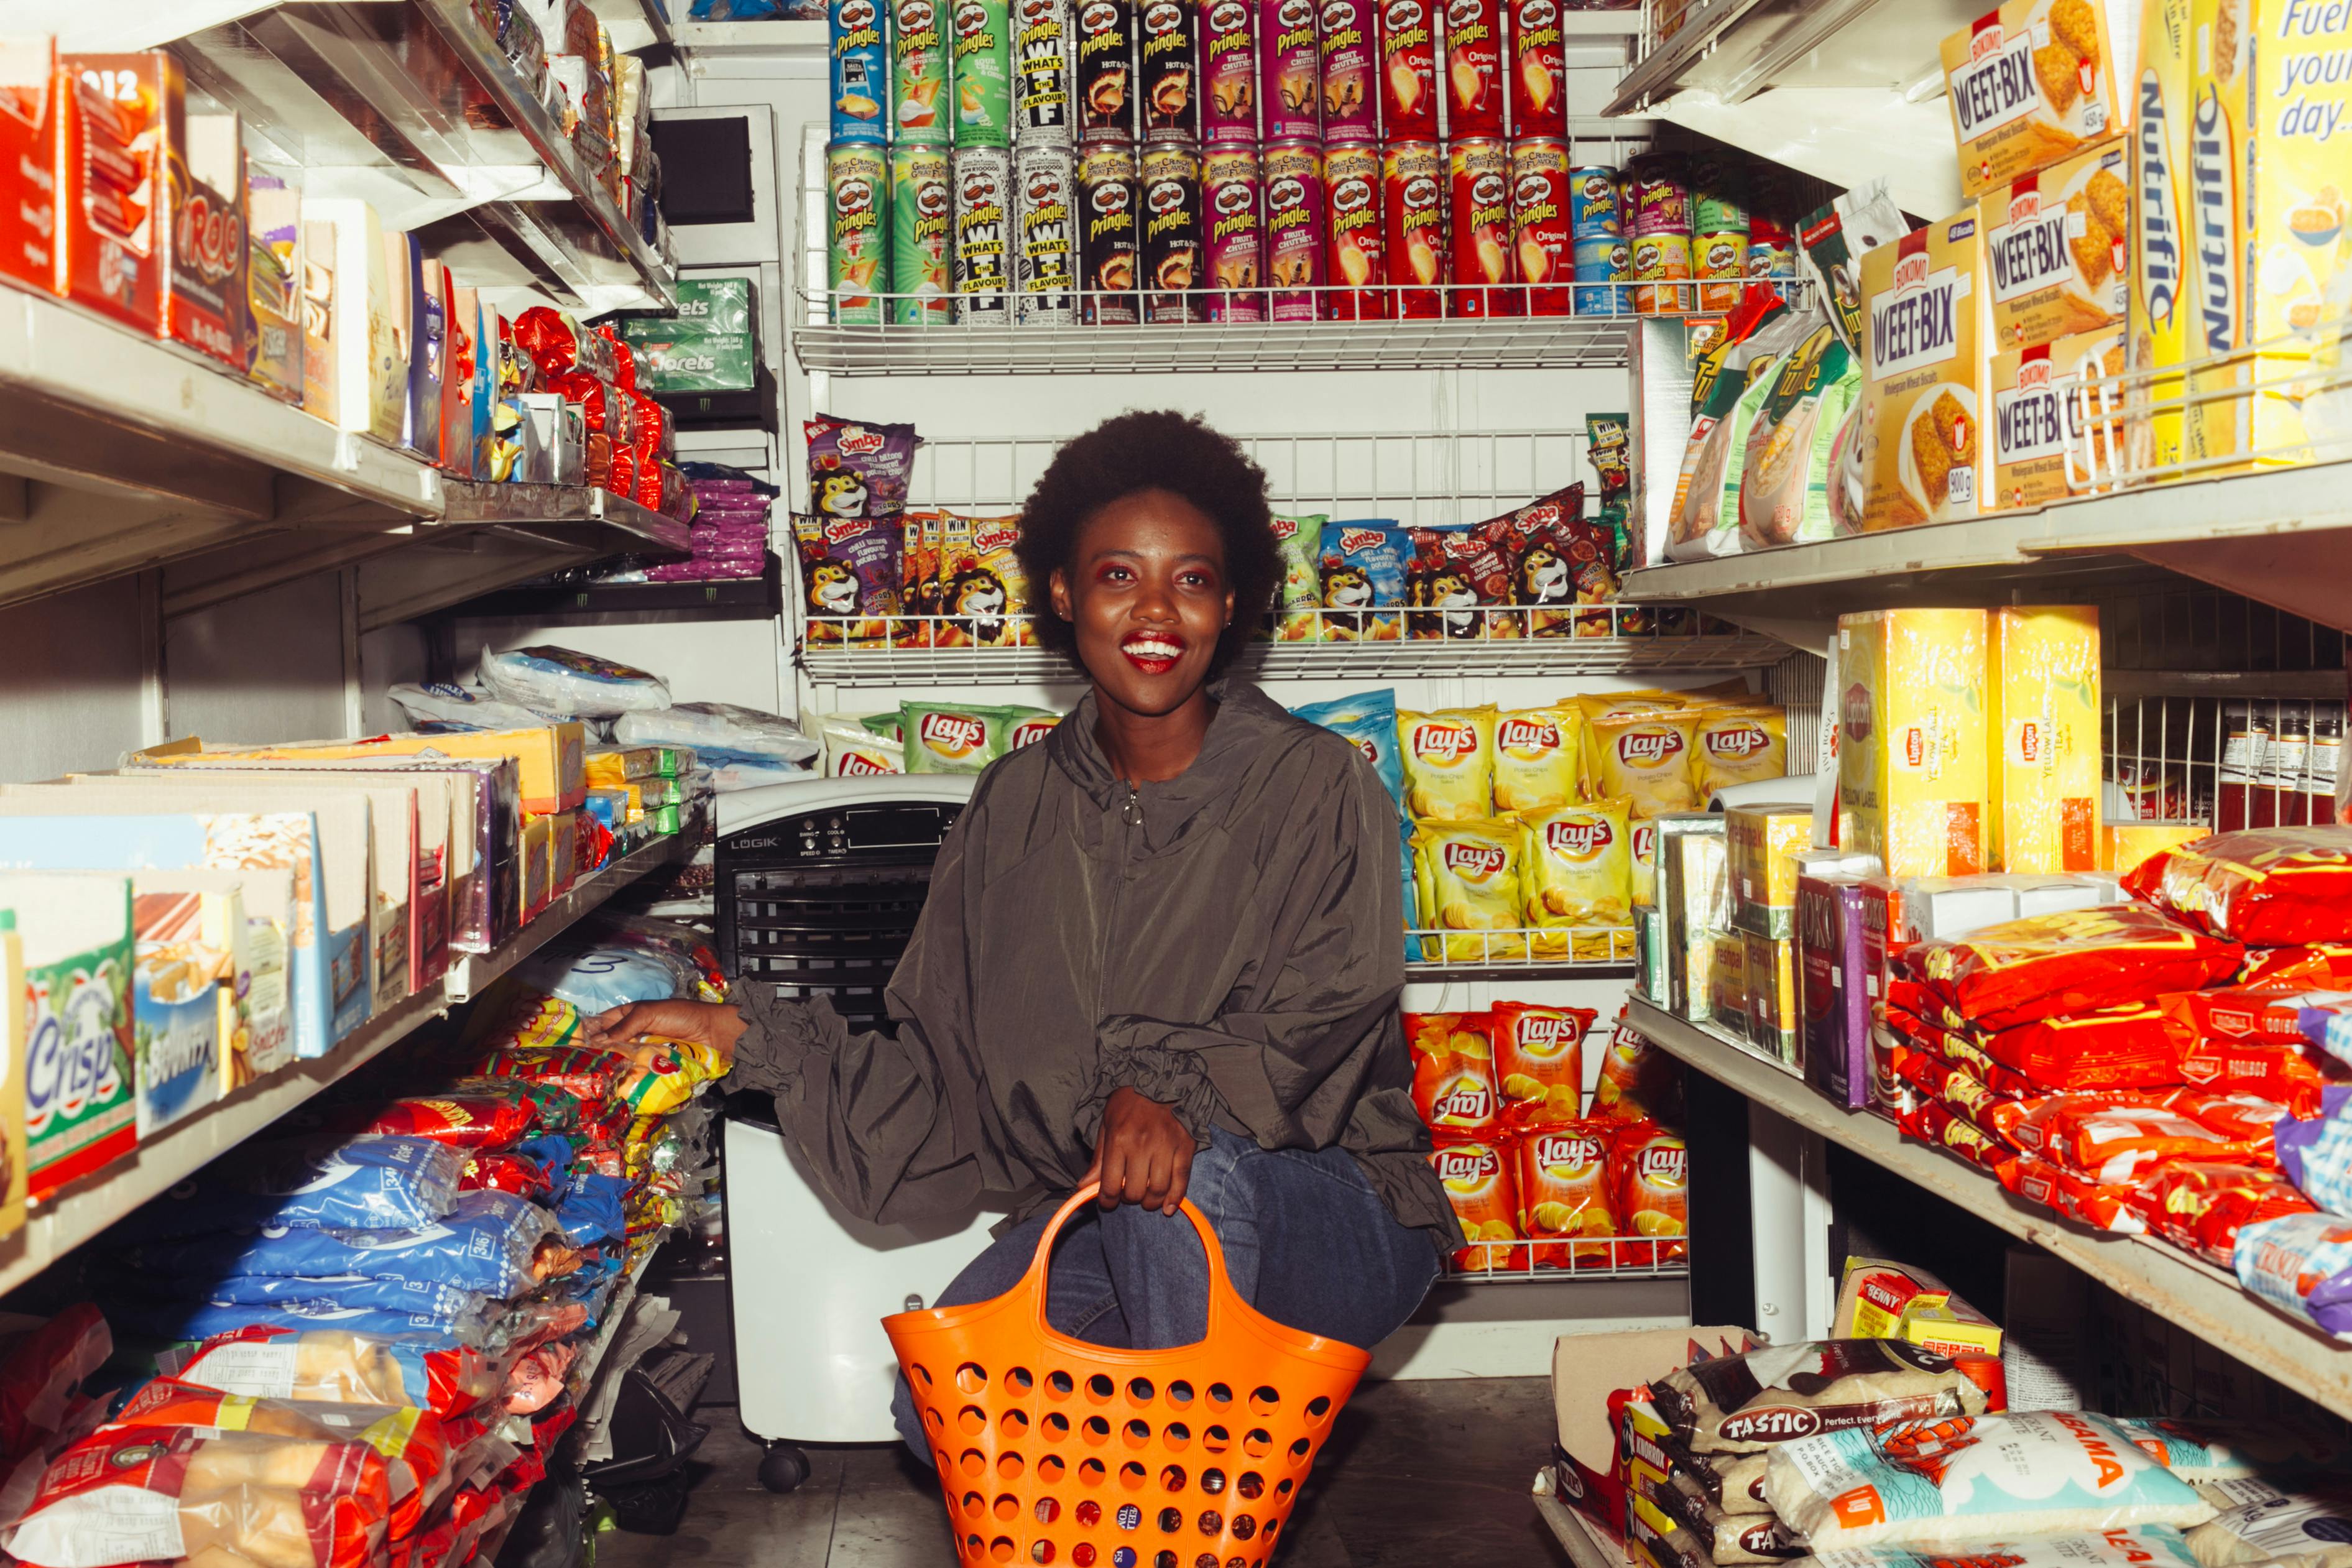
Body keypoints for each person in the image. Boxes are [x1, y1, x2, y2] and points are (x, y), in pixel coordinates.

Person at [589, 410, 1455, 1456]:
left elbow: (1321, 1019)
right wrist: (736, 1034)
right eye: (1117, 576)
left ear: (1231, 603)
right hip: (1112, 1212)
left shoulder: (1317, 786)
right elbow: (938, 1070)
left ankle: (1180, 1523)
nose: (1155, 611)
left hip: (1338, 1210)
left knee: (1176, 1184)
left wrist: (1167, 1092)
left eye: (1190, 580)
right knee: (942, 1410)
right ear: (1062, 592)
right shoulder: (1010, 809)